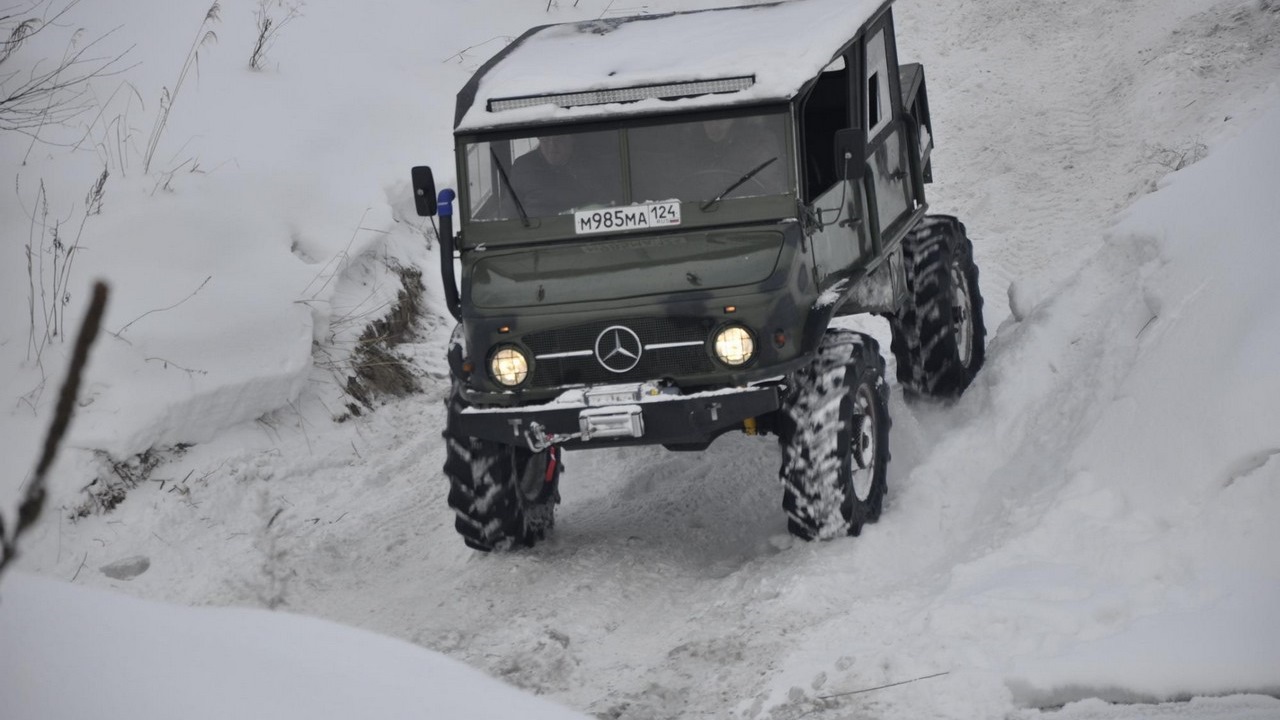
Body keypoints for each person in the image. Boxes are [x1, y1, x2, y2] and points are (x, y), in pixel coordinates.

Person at [508, 134, 620, 217]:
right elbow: (509, 212)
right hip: (537, 235)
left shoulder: (591, 164)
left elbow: (607, 202)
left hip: (581, 233)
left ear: (572, 139)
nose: (552, 147)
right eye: (545, 140)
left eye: (559, 139)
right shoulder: (523, 167)